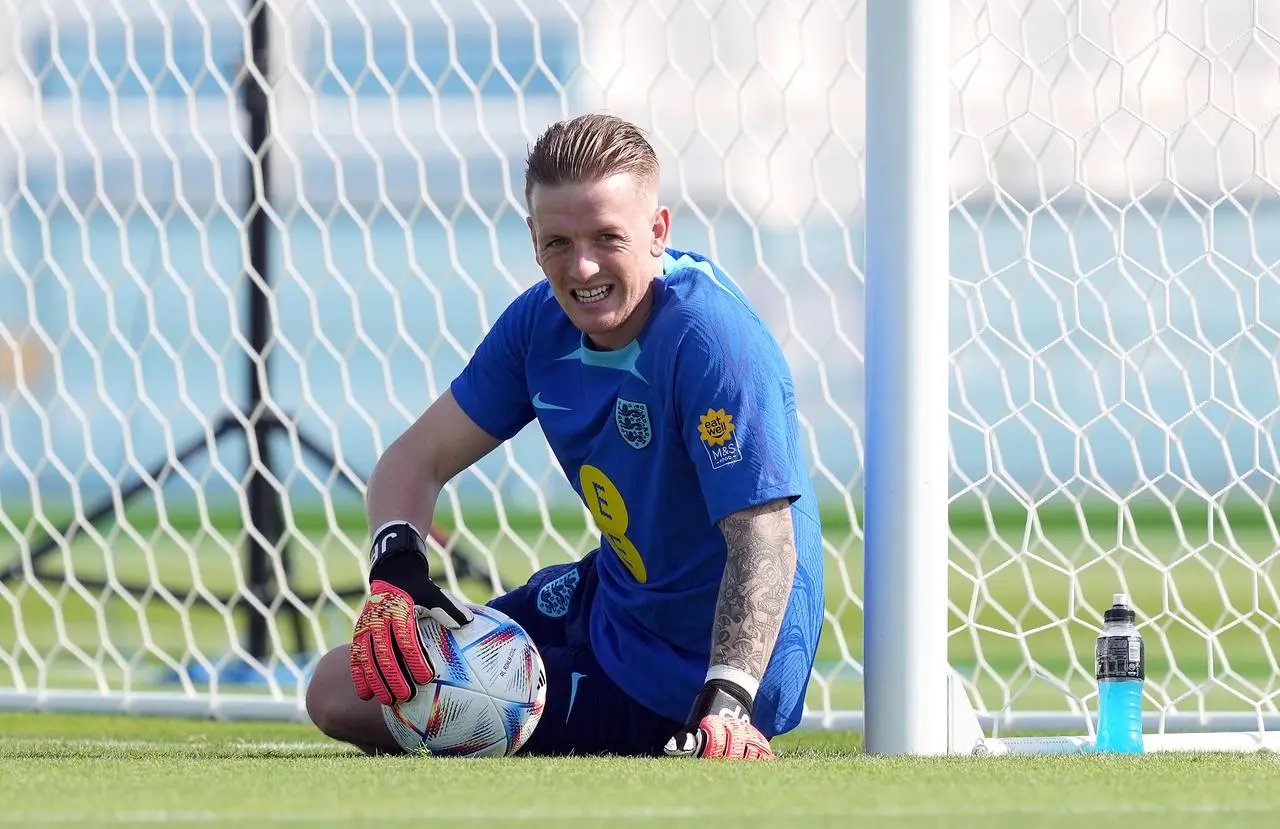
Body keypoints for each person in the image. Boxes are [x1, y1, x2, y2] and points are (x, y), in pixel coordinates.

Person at [305, 113, 824, 760]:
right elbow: (415, 457)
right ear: (532, 237)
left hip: (682, 681)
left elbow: (764, 537)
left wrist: (728, 697)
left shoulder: (709, 340)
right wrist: (396, 571)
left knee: (343, 700)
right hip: (607, 600)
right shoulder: (538, 327)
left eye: (608, 237)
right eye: (558, 242)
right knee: (335, 683)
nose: (581, 268)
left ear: (657, 231)